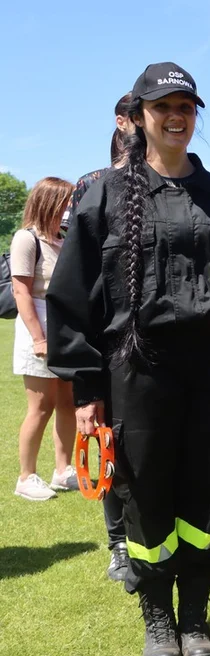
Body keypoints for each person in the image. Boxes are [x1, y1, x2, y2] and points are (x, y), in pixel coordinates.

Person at [47, 63, 210, 656]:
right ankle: (158, 619)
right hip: (136, 370)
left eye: (187, 106)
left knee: (208, 492)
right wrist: (88, 387)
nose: (177, 116)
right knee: (145, 492)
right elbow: (71, 299)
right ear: (140, 115)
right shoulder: (103, 195)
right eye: (163, 106)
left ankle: (196, 616)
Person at [58, 93, 136, 579]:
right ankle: (118, 545)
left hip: (152, 347)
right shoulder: (92, 185)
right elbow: (75, 279)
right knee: (107, 447)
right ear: (123, 120)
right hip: (106, 345)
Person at [11, 177, 77, 502]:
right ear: (48, 201)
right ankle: (26, 476)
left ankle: (63, 471)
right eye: (65, 201)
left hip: (64, 329)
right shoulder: (26, 239)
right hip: (38, 328)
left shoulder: (62, 238)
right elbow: (21, 290)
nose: (69, 208)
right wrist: (38, 338)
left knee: (68, 402)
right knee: (41, 406)